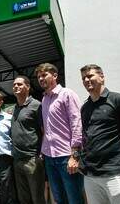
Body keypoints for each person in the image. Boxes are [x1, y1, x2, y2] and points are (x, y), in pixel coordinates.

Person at [80, 64, 120, 204]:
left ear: (102, 77)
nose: (86, 80)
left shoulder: (119, 100)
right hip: (90, 175)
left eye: (90, 76)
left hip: (114, 174)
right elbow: (86, 137)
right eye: (83, 78)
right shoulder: (85, 107)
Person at [35, 63, 84, 204]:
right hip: (49, 158)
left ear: (55, 75)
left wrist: (75, 155)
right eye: (39, 76)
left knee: (74, 199)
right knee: (59, 198)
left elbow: (77, 124)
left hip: (67, 157)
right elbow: (47, 128)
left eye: (44, 75)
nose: (41, 79)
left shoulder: (67, 94)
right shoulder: (44, 99)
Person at [11, 76, 45, 204]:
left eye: (19, 84)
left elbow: (45, 131)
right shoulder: (14, 108)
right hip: (17, 159)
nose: (16, 87)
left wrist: (41, 154)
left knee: (37, 198)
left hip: (32, 159)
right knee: (23, 198)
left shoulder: (37, 105)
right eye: (14, 85)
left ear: (28, 87)